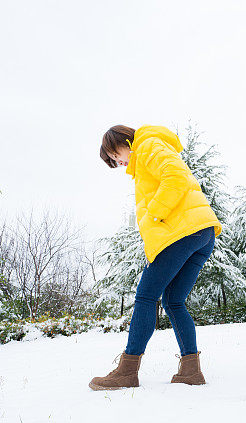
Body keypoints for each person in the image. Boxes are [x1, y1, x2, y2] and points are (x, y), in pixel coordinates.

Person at [90, 125, 221, 390]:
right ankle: (191, 370)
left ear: (125, 142)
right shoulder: (153, 148)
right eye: (114, 161)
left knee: (146, 297)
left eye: (116, 155)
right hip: (202, 233)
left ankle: (127, 371)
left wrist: (154, 215)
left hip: (181, 233)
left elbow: (176, 178)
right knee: (174, 301)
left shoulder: (148, 145)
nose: (120, 162)